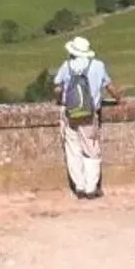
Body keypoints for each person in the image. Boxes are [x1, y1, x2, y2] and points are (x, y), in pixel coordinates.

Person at [52, 35, 116, 199]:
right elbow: (109, 86)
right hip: (89, 113)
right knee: (91, 149)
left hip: (70, 113)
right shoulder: (98, 66)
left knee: (73, 149)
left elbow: (57, 87)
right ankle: (91, 187)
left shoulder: (66, 66)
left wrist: (60, 101)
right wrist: (120, 99)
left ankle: (79, 186)